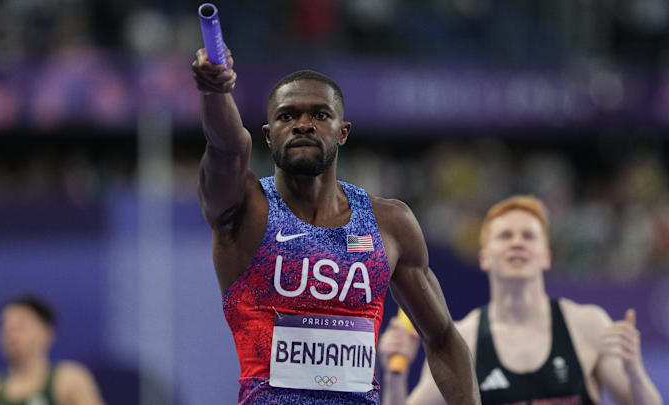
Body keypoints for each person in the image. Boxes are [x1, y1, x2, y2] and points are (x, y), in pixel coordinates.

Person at [191, 45, 480, 405]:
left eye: (320, 114)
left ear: (343, 132)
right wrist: (215, 91)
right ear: (268, 135)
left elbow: (443, 339)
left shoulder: (389, 223)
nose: (303, 124)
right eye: (286, 116)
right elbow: (227, 147)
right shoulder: (244, 209)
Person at [378, 195, 664, 405]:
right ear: (485, 257)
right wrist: (395, 376)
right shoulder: (464, 338)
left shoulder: (587, 325)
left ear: (547, 255)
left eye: (528, 236)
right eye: (505, 236)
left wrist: (634, 371)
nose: (517, 242)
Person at [0, 295, 105, 405]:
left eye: (21, 326)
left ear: (46, 333)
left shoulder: (69, 381)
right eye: (6, 326)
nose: (11, 334)